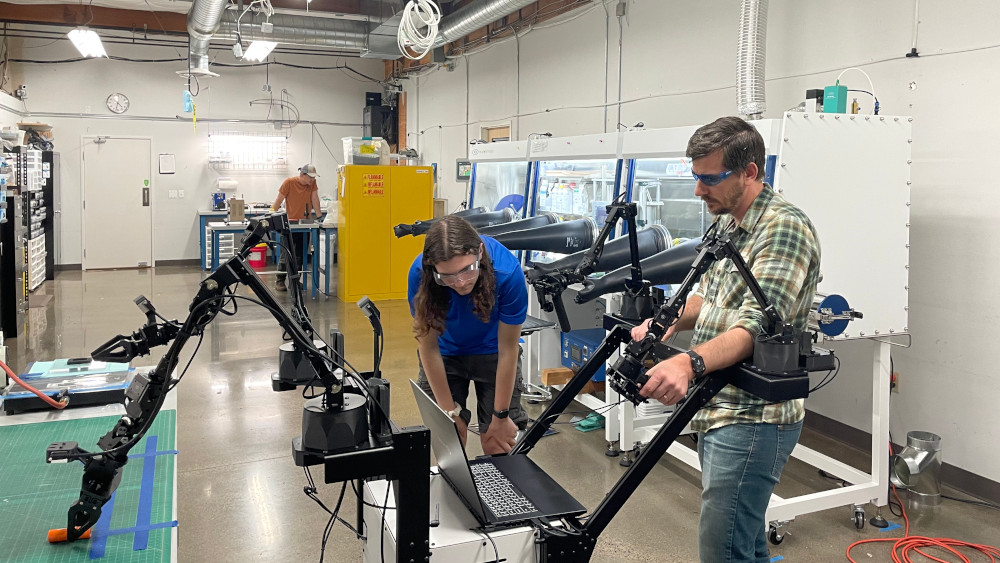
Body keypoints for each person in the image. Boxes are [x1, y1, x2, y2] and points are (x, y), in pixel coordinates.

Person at [631, 116, 821, 563]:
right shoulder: (728, 223)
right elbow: (709, 297)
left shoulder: (783, 229)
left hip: (754, 417)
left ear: (749, 172)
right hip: (720, 403)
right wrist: (666, 322)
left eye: (709, 179)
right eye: (696, 177)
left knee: (722, 551)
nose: (699, 191)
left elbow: (758, 324)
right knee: (744, 542)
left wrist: (687, 363)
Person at [408, 215, 529, 455]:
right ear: (433, 268)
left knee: (497, 443)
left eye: (467, 269)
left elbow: (508, 349)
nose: (461, 282)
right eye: (448, 276)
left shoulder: (507, 271)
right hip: (444, 354)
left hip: (495, 353)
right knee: (450, 442)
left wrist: (501, 416)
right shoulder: (420, 274)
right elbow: (428, 347)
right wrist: (449, 411)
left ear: (480, 252)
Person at [272, 164, 322, 291]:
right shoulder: (289, 182)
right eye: (310, 177)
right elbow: (278, 200)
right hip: (289, 224)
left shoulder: (312, 184)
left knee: (300, 254)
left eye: (313, 178)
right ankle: (280, 281)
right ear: (302, 174)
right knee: (286, 252)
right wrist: (271, 216)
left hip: (304, 224)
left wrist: (319, 216)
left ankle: (294, 281)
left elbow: (315, 199)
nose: (312, 180)